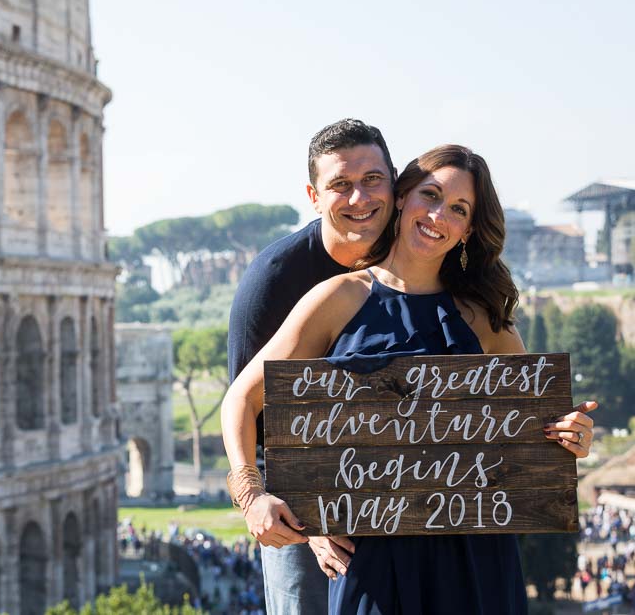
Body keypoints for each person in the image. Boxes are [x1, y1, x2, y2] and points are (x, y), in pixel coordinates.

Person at [222, 144, 596, 614]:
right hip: (373, 560)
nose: (439, 215)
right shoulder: (337, 298)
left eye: (458, 209)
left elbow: (538, 431)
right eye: (431, 195)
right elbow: (240, 399)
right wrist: (251, 494)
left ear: (466, 231)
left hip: (475, 561)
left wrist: (571, 437)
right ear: (402, 197)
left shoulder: (482, 318)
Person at [226, 118, 398, 612]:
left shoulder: (421, 259)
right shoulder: (273, 281)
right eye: (339, 185)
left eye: (371, 180)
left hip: (404, 498)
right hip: (302, 517)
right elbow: (251, 409)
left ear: (393, 182)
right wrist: (299, 512)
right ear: (314, 195)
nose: (359, 199)